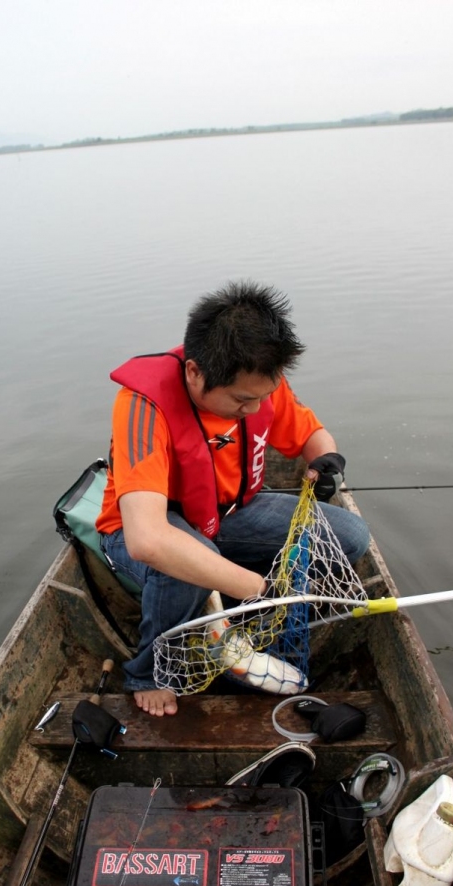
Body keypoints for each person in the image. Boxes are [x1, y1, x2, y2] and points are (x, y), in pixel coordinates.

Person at [96, 281, 370, 717]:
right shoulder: (143, 406)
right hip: (147, 526)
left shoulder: (259, 381)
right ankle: (147, 672)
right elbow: (147, 540)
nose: (255, 408)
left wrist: (326, 459)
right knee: (186, 563)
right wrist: (259, 590)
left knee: (349, 536)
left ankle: (218, 605)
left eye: (263, 397)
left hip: (231, 514)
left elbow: (313, 435)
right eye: (243, 401)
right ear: (194, 373)